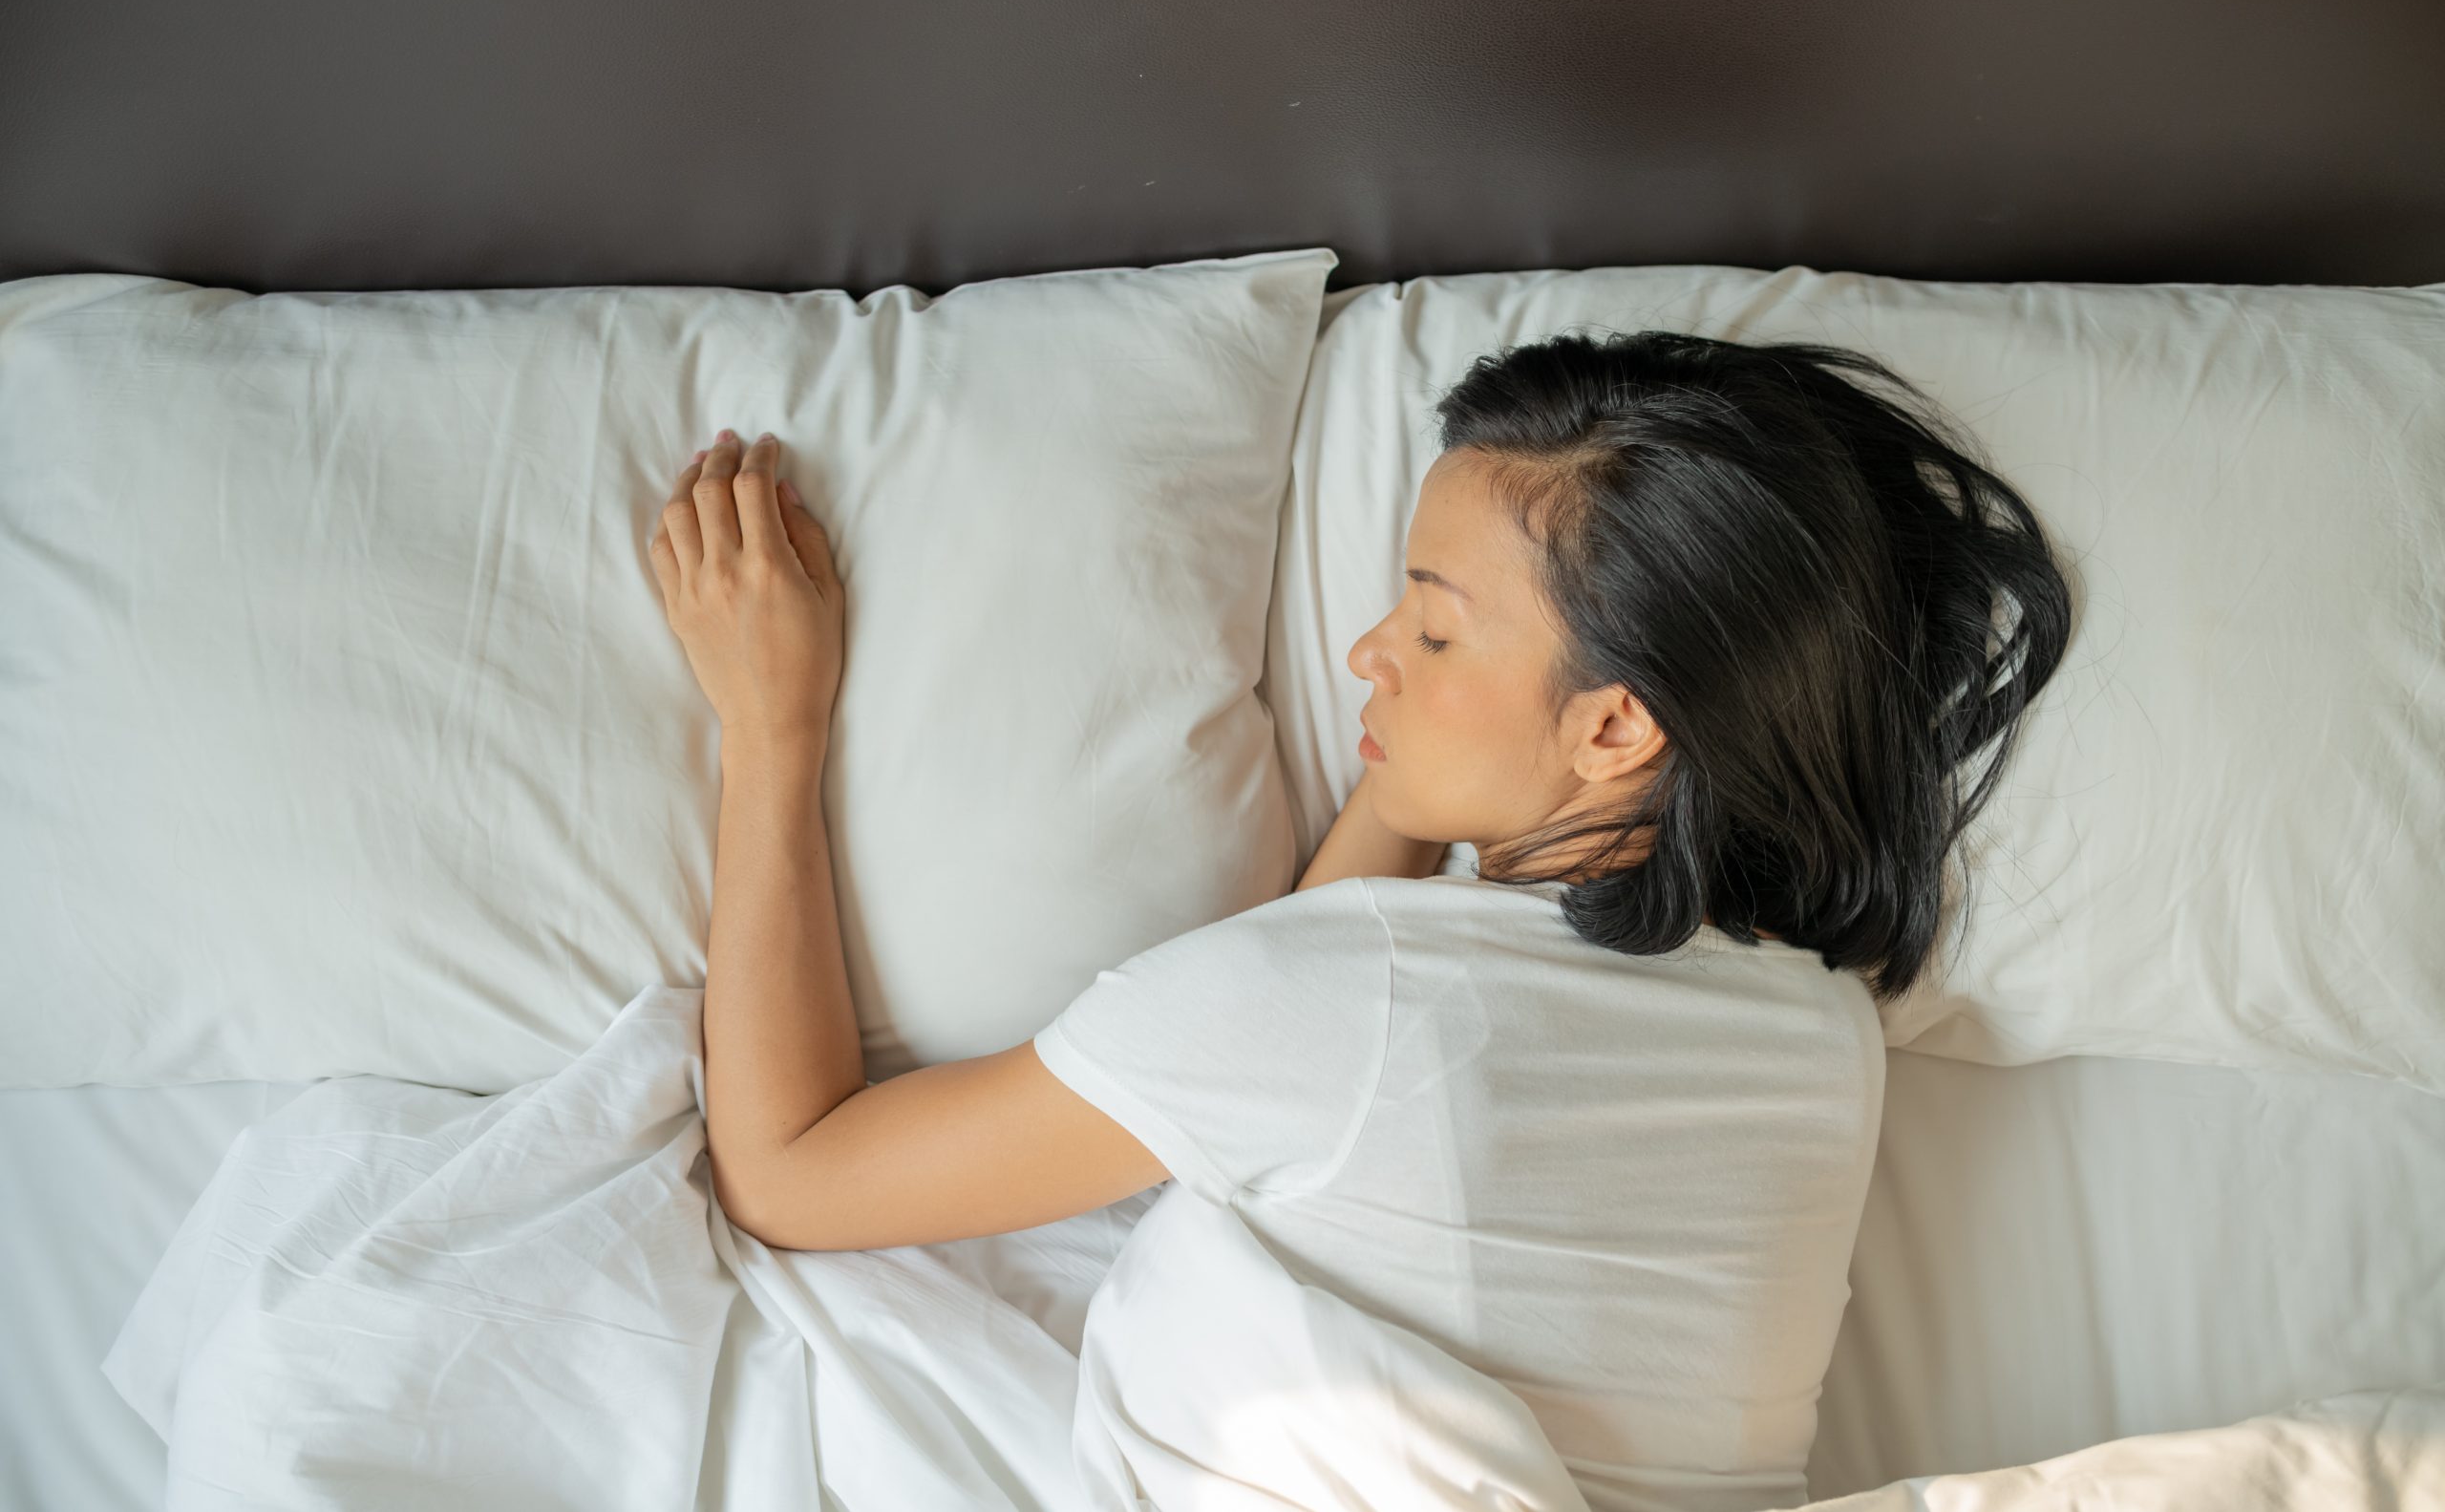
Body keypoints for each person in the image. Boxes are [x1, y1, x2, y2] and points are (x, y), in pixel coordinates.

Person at [645, 329, 2074, 1512]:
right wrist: (1445, 753)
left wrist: (771, 726)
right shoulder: (1824, 1037)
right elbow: (1363, 1005)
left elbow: (792, 1175)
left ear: (1620, 723)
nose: (1365, 654)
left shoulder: (1330, 1008)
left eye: (1435, 629)